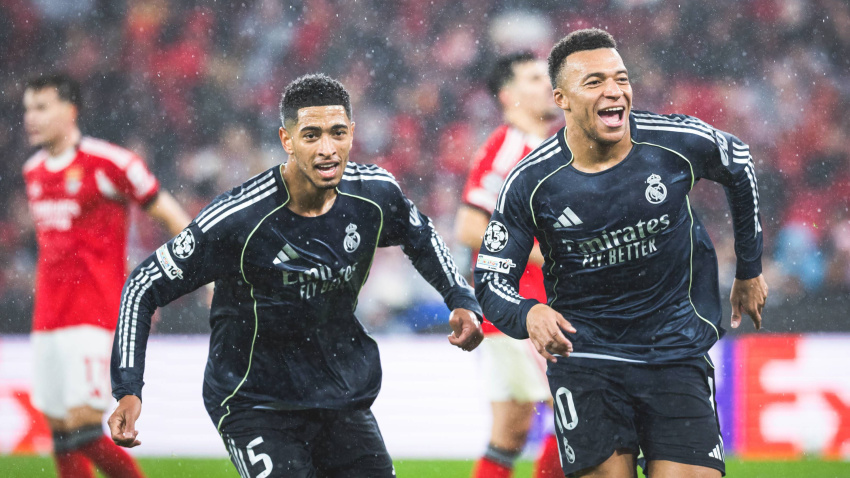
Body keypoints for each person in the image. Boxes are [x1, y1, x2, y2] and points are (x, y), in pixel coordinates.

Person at [108, 74, 484, 477]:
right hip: (253, 400)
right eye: (311, 135)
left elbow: (423, 237)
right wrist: (129, 388)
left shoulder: (374, 195)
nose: (327, 149)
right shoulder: (238, 219)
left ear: (352, 134)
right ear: (286, 140)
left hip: (338, 395)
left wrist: (460, 297)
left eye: (338, 133)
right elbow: (142, 285)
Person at [474, 29, 768, 478]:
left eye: (621, 79)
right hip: (588, 361)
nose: (614, 91)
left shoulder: (672, 142)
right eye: (594, 82)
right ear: (563, 98)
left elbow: (740, 164)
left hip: (675, 351)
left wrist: (749, 271)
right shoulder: (530, 181)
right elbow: (491, 280)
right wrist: (528, 314)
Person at [22, 73, 191, 478]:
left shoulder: (111, 163)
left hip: (95, 314)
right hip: (47, 319)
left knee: (82, 430)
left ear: (70, 110)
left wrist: (191, 277)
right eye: (27, 109)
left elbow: (171, 216)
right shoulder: (34, 171)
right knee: (61, 435)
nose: (31, 117)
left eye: (42, 107)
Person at [454, 52, 562, 478]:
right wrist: (547, 254)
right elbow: (469, 226)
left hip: (508, 311)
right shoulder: (510, 146)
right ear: (508, 95)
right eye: (535, 78)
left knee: (510, 433)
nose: (547, 85)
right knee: (580, 412)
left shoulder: (539, 147)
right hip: (525, 308)